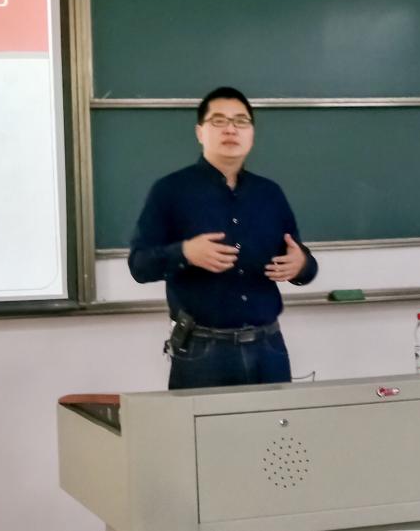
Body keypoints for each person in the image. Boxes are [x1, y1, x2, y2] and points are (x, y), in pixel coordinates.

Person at [128, 86, 318, 390]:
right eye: (218, 121)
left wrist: (301, 265)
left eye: (241, 121)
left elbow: (303, 263)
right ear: (200, 132)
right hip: (202, 351)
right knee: (202, 424)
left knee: (273, 423)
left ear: (252, 133)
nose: (231, 129)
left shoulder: (270, 194)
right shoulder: (170, 191)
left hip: (268, 347)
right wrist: (185, 253)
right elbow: (139, 265)